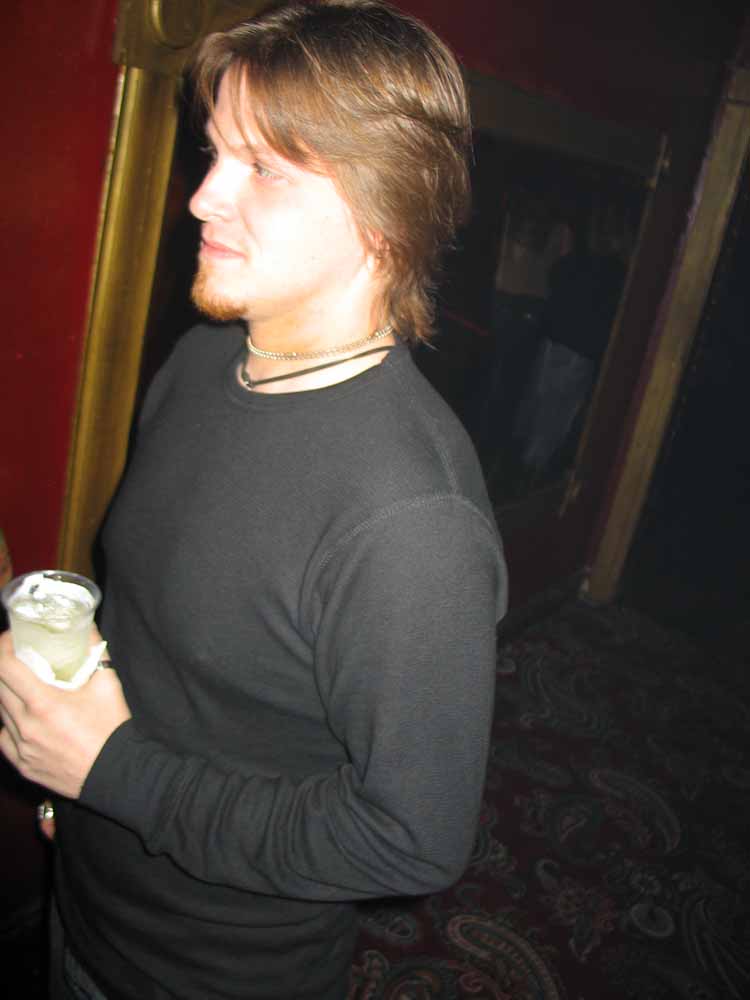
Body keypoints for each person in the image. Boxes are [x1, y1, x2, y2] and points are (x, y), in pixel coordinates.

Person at [0, 1, 507, 997]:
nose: (202, 197)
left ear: (389, 209)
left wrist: (111, 773)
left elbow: (411, 838)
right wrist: (78, 778)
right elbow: (164, 644)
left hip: (205, 973)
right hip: (85, 898)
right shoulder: (201, 361)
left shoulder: (413, 524)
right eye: (215, 152)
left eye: (265, 169)